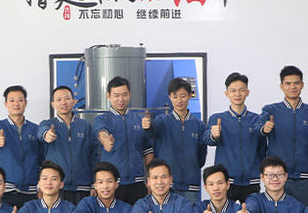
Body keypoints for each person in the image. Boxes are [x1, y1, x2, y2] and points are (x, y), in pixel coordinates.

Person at [255, 66, 308, 206]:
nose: (292, 87)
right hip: (276, 178)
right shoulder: (270, 110)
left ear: (302, 85)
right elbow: (257, 129)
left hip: (302, 179)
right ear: (281, 86)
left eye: (296, 83)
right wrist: (264, 128)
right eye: (288, 83)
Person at [204, 72, 266, 203]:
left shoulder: (257, 120)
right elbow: (208, 140)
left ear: (247, 92)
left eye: (241, 90)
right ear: (226, 93)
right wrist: (214, 135)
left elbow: (263, 150)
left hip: (251, 181)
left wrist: (260, 172)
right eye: (233, 90)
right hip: (226, 181)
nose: (237, 94)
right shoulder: (217, 118)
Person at [143, 78, 207, 202]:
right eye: (175, 96)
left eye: (183, 96)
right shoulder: (162, 121)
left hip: (191, 185)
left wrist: (193, 166)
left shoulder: (199, 125)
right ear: (170, 97)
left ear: (190, 96)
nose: (179, 100)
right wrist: (147, 126)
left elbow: (201, 155)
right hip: (166, 185)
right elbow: (150, 131)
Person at [93, 76, 153, 205]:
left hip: (137, 183)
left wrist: (150, 178)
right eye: (116, 95)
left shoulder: (139, 119)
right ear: (108, 96)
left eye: (124, 94)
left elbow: (148, 151)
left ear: (130, 94)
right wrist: (106, 141)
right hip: (112, 184)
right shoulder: (102, 119)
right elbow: (101, 132)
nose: (121, 99)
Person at [37, 86, 98, 204]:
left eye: (67, 98)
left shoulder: (85, 126)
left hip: (82, 187)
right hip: (56, 187)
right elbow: (41, 132)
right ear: (53, 104)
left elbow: (94, 156)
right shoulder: (48, 124)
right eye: (59, 99)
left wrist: (93, 183)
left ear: (74, 101)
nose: (63, 102)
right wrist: (46, 134)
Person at [0, 86, 42, 208]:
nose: (16, 104)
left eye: (20, 100)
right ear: (6, 104)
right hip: (6, 190)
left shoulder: (35, 129)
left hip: (31, 191)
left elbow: (41, 158)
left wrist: (41, 185)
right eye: (12, 100)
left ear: (25, 103)